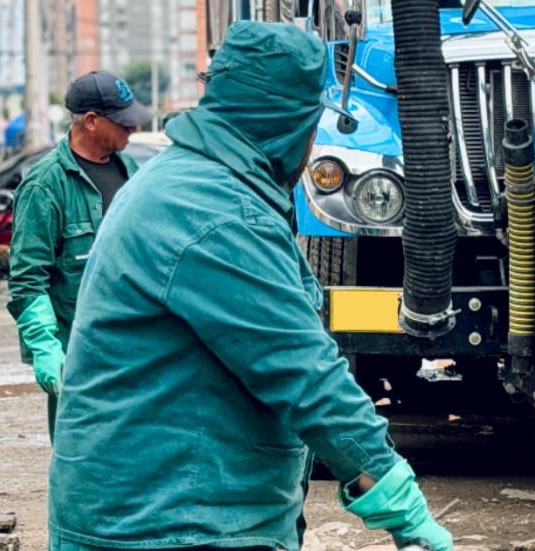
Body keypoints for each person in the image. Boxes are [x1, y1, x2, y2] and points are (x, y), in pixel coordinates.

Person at [46, 22, 453, 551]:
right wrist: (401, 503)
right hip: (167, 526)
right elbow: (304, 372)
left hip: (154, 512)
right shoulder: (215, 214)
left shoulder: (188, 181)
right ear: (289, 125)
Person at [6, 70, 151, 440]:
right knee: (84, 465)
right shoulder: (46, 186)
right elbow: (27, 278)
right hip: (79, 355)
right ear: (90, 121)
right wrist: (44, 347)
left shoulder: (130, 172)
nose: (131, 129)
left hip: (133, 347)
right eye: (121, 122)